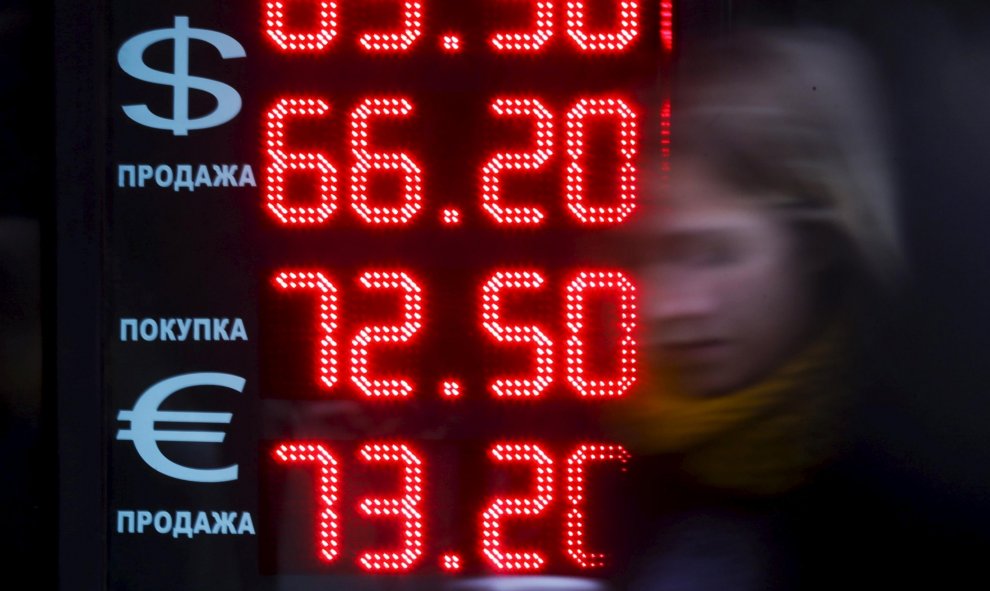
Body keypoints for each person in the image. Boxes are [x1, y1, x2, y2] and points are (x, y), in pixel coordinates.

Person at [606, 25, 906, 591]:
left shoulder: (906, 491)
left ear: (818, 246)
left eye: (714, 255)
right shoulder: (597, 475)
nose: (668, 306)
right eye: (642, 258)